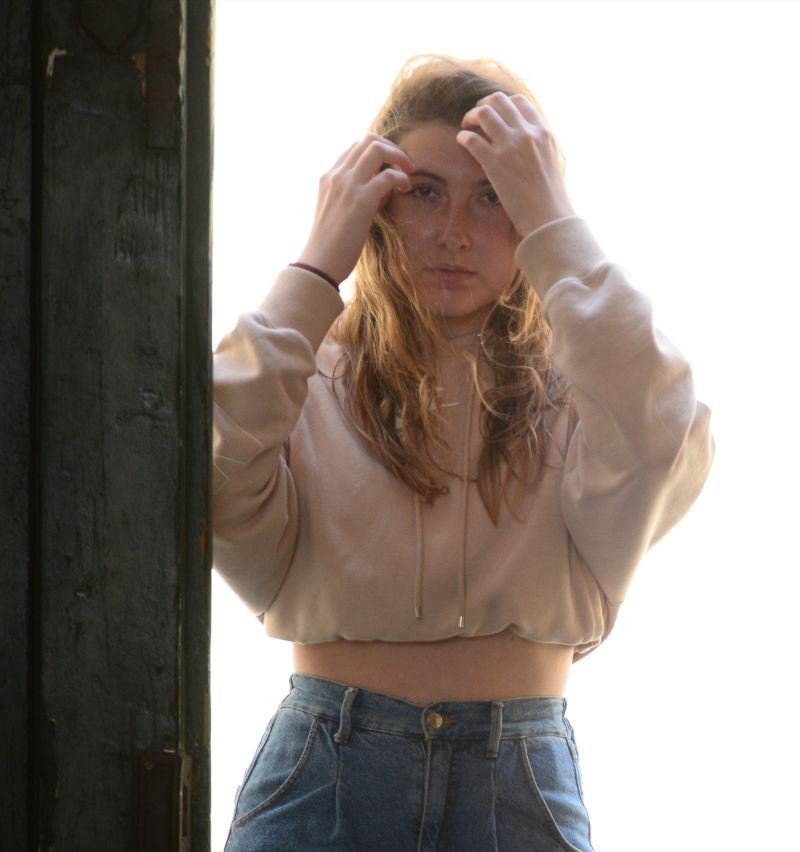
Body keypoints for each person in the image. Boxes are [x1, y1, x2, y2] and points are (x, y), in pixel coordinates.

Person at [211, 54, 714, 850]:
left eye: (493, 195)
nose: (454, 232)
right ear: (375, 205)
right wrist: (316, 264)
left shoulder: (582, 391)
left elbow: (664, 434)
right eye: (424, 192)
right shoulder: (301, 374)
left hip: (518, 782)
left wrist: (554, 221)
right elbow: (202, 473)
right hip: (324, 776)